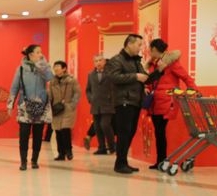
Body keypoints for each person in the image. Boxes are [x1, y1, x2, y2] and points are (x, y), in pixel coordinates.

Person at [144, 39, 197, 169]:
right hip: (155, 102)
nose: (149, 52)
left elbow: (186, 77)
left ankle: (162, 161)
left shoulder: (171, 63)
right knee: (158, 132)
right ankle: (160, 161)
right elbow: (152, 81)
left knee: (160, 132)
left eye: (151, 49)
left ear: (155, 49)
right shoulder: (153, 64)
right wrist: (147, 88)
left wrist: (194, 90)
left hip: (167, 101)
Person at [105, 34, 149, 174]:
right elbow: (113, 77)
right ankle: (120, 164)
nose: (140, 48)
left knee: (130, 132)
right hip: (123, 101)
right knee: (124, 133)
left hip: (135, 101)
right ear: (129, 44)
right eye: (138, 45)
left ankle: (123, 161)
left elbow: (144, 76)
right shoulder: (116, 60)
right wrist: (135, 76)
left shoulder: (136, 61)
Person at [7, 44, 53, 170]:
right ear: (31, 55)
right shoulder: (21, 69)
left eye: (41, 52)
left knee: (38, 135)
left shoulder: (43, 68)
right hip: (24, 106)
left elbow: (50, 77)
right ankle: (23, 161)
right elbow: (14, 87)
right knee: (24, 134)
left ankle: (34, 160)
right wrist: (10, 104)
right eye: (38, 52)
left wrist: (42, 64)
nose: (41, 54)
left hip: (41, 105)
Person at [48, 60, 81, 160]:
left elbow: (77, 93)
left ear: (64, 68)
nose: (56, 68)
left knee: (65, 129)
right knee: (58, 131)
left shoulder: (72, 80)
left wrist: (72, 105)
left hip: (67, 109)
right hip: (56, 109)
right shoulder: (52, 82)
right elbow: (50, 95)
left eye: (58, 66)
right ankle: (61, 153)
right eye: (54, 67)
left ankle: (68, 150)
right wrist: (49, 106)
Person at [84, 53, 115, 155]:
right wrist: (91, 98)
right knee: (97, 127)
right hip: (95, 105)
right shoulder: (91, 75)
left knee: (105, 125)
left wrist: (112, 98)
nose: (98, 63)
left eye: (100, 60)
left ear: (104, 61)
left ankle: (112, 146)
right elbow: (88, 90)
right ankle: (102, 147)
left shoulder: (110, 73)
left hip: (108, 104)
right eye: (96, 61)